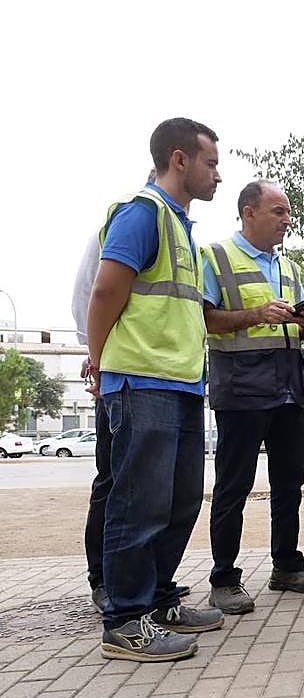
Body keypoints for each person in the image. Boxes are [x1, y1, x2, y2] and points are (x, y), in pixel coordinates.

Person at [86, 117, 225, 661]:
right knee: (138, 502)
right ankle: (124, 620)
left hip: (182, 382)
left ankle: (159, 599)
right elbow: (105, 291)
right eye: (211, 162)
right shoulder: (142, 214)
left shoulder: (180, 226)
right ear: (180, 159)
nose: (218, 174)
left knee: (179, 500)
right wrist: (99, 361)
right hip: (142, 380)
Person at [200, 181, 304, 614]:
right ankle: (223, 577)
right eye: (278, 211)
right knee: (233, 486)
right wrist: (257, 314)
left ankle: (287, 565)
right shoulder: (216, 258)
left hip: (288, 388)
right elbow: (205, 320)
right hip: (240, 390)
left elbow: (289, 328)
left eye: (288, 212)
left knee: (289, 483)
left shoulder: (288, 267)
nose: (286, 220)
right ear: (248, 212)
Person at [72, 169, 156, 614]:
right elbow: (90, 296)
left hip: (153, 378)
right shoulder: (128, 222)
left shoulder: (175, 234)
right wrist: (98, 354)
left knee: (146, 489)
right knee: (112, 481)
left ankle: (147, 582)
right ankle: (101, 578)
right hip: (119, 376)